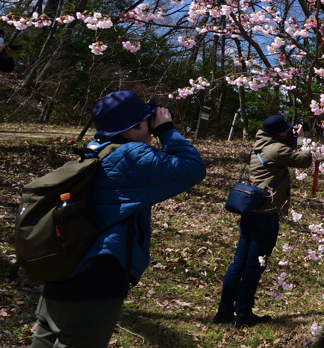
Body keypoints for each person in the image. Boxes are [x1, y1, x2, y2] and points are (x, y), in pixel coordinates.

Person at [31, 91, 206, 348]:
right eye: (148, 122)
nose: (151, 131)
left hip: (61, 272)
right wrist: (167, 129)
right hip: (94, 281)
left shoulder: (94, 151)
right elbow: (192, 168)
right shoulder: (130, 155)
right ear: (130, 128)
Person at [215, 114, 312, 327]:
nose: (289, 132)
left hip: (251, 212)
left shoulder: (262, 145)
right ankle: (243, 314)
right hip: (266, 216)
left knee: (238, 265)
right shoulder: (276, 150)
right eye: (286, 130)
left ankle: (224, 312)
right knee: (253, 267)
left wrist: (291, 139)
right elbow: (305, 160)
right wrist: (302, 138)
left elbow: (284, 155)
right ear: (278, 133)